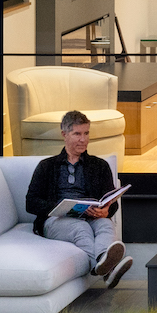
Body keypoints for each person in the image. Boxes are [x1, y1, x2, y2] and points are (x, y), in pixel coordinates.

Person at [23, 110, 133, 287]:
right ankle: (109, 270)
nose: (83, 139)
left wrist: (106, 210)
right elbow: (31, 202)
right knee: (81, 228)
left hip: (91, 216)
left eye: (86, 133)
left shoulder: (99, 165)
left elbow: (111, 202)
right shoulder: (47, 166)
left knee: (106, 224)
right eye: (77, 134)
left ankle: (103, 265)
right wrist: (60, 207)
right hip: (57, 220)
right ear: (64, 135)